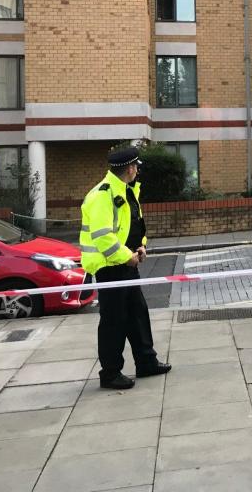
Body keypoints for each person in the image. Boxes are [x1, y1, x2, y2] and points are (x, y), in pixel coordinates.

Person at [80, 147, 171, 390]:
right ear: (130, 168)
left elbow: (134, 227)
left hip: (127, 264)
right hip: (110, 268)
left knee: (137, 313)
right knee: (113, 321)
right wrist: (126, 257)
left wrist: (141, 247)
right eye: (136, 166)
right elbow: (103, 237)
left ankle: (146, 362)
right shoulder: (102, 195)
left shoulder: (128, 191)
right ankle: (110, 373)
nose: (138, 170)